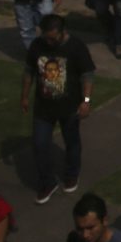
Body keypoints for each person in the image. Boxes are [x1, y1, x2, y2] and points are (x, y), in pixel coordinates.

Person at [24, 14, 94, 204]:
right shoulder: (37, 46)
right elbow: (29, 70)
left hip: (70, 107)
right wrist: (24, 96)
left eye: (53, 38)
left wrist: (86, 101)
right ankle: (47, 182)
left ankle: (72, 173)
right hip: (43, 107)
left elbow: (87, 75)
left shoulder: (76, 47)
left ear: (63, 32)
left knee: (71, 141)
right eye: (46, 37)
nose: (49, 41)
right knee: (39, 144)